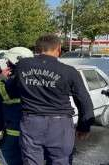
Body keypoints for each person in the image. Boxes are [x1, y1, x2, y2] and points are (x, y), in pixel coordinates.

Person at [11, 34, 95, 165]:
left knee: (31, 161)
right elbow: (84, 100)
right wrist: (84, 126)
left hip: (31, 122)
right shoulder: (69, 71)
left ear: (37, 49)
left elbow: (12, 90)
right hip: (60, 126)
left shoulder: (22, 66)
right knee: (60, 160)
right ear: (58, 49)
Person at [0, 47, 34, 165]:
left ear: (15, 61)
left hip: (14, 131)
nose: (7, 63)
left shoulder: (12, 81)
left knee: (4, 159)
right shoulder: (34, 79)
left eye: (8, 61)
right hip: (33, 131)